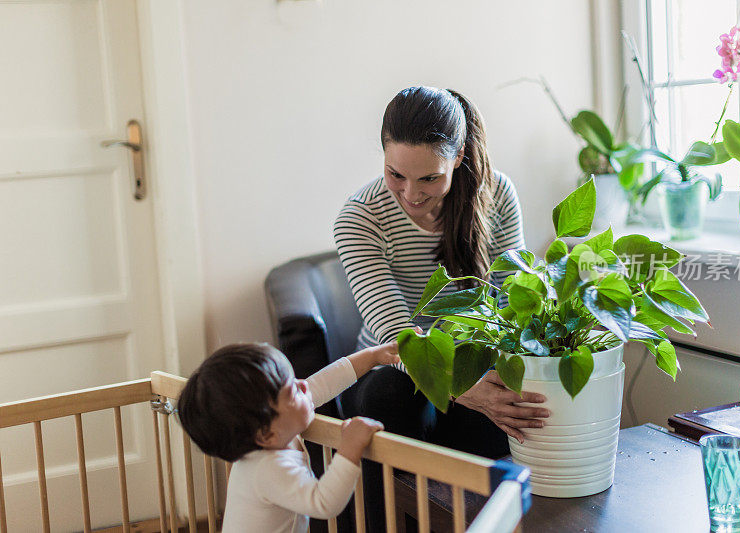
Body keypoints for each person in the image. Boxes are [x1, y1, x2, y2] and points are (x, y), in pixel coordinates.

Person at [333, 86, 550, 530]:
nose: (410, 194)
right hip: (392, 371)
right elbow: (394, 330)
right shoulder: (360, 218)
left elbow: (514, 301)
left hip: (472, 363)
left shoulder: (497, 194)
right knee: (389, 398)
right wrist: (459, 384)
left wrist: (490, 379)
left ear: (458, 156)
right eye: (396, 174)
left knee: (518, 401)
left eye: (429, 178)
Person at [177, 341, 399, 533]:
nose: (303, 384)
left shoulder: (275, 426)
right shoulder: (269, 467)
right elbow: (324, 502)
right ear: (267, 434)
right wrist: (350, 447)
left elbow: (324, 382)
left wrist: (373, 356)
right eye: (292, 389)